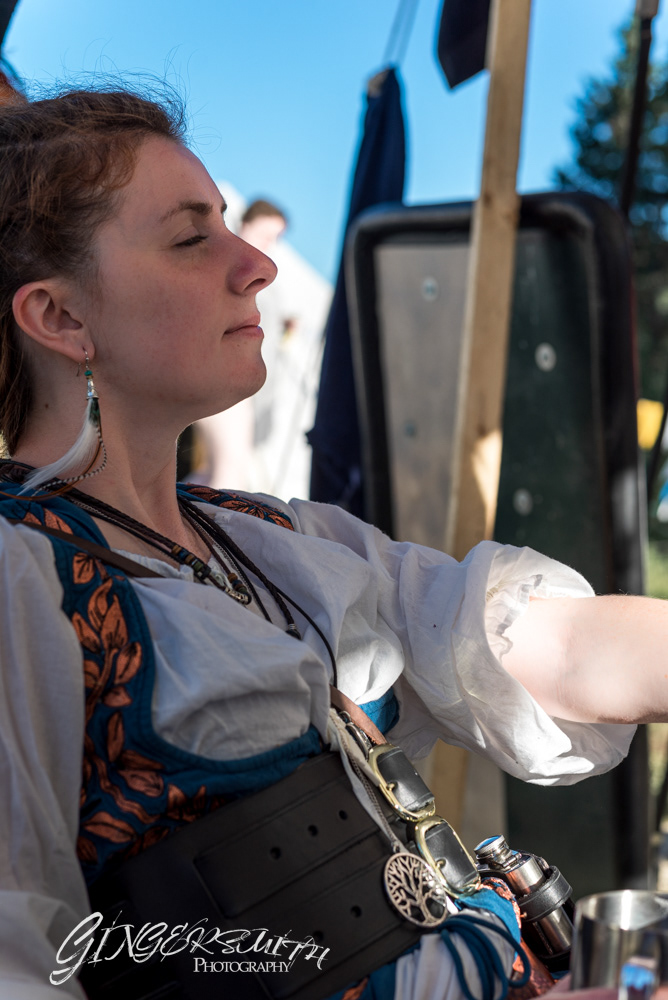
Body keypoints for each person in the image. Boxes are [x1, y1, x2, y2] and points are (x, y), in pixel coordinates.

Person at [0, 86, 661, 1000]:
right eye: (191, 239)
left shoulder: (277, 538)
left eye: (229, 226)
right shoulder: (20, 575)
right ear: (62, 318)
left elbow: (543, 647)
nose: (257, 265)